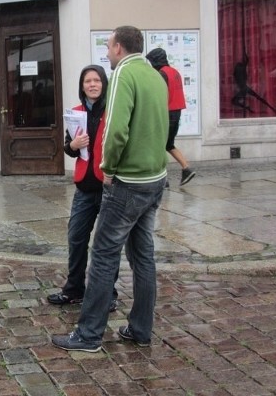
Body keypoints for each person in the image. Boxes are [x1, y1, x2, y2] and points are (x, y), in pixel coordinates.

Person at [52, 26, 168, 352]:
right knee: (143, 257)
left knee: (103, 255)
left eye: (108, 46)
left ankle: (88, 335)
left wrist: (109, 170)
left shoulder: (122, 75)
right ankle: (141, 329)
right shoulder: (156, 76)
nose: (106, 53)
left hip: (127, 182)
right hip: (154, 179)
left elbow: (115, 132)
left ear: (118, 47)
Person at [46, 65, 118, 312]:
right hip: (85, 188)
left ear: (104, 84)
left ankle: (108, 294)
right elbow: (68, 147)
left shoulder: (114, 110)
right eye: (88, 81)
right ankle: (74, 289)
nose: (92, 84)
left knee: (106, 244)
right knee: (76, 238)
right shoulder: (76, 113)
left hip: (109, 186)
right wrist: (73, 145)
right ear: (82, 86)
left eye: (97, 80)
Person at [146, 48, 196, 186]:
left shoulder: (161, 74)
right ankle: (186, 168)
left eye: (151, 61)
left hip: (166, 113)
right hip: (176, 112)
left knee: (158, 145)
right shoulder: (175, 72)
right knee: (168, 144)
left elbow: (159, 95)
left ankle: (163, 178)